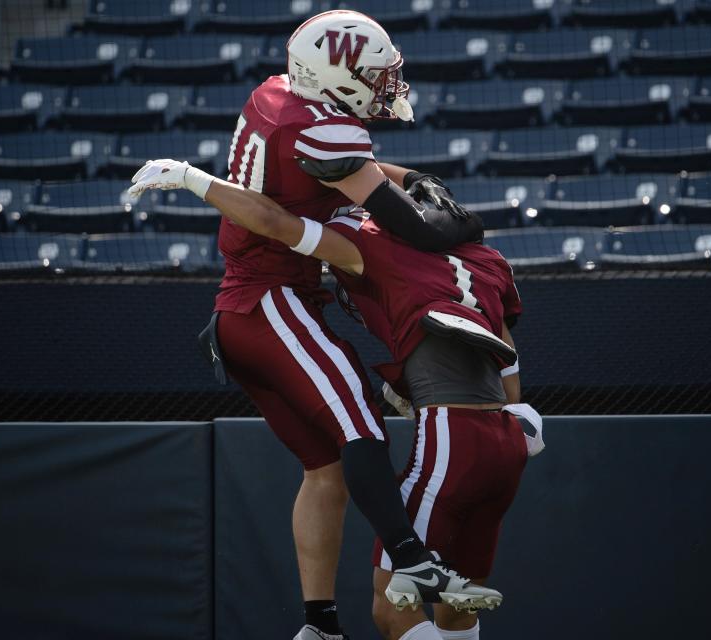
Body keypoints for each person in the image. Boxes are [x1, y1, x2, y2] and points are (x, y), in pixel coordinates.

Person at [148, 9, 497, 639]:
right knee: (361, 424)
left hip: (250, 304)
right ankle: (414, 562)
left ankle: (320, 625)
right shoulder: (322, 135)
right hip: (273, 300)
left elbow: (342, 171)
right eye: (371, 74)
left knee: (327, 469)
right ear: (336, 74)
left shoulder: (277, 97)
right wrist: (465, 222)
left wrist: (408, 175)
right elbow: (411, 228)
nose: (384, 84)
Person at [129, 161, 547, 640]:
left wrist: (193, 179)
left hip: (450, 442)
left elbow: (276, 223)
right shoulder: (489, 260)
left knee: (392, 611)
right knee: (457, 611)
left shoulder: (370, 243)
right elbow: (507, 370)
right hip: (507, 445)